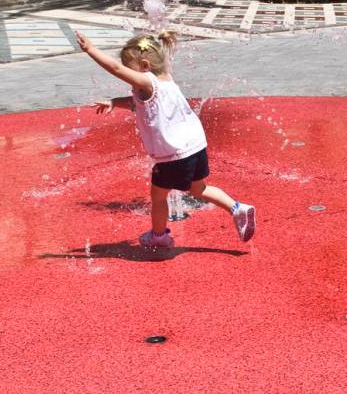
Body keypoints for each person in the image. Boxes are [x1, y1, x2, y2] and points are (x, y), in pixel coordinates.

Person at [75, 29, 256, 248]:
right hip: (195, 147)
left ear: (144, 66)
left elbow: (115, 68)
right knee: (199, 189)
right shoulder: (166, 82)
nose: (129, 78)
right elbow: (136, 103)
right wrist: (115, 102)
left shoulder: (148, 83)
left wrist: (91, 50)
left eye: (130, 70)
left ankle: (159, 236)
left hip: (174, 155)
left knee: (158, 195)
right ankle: (238, 208)